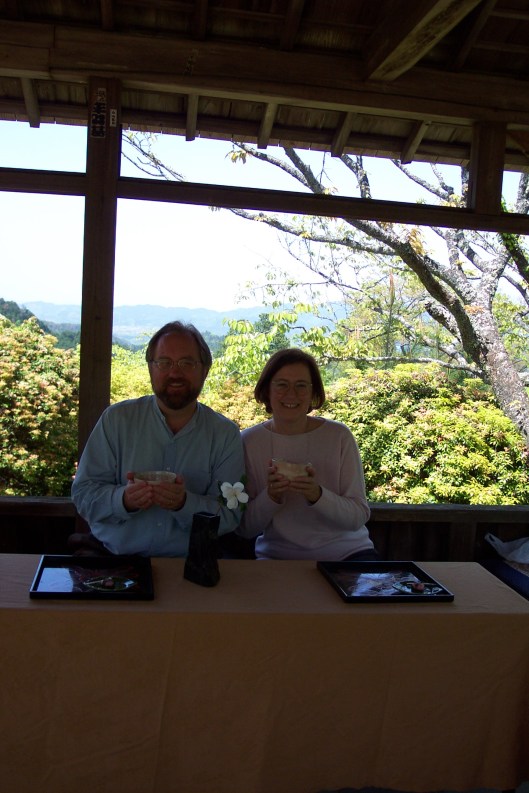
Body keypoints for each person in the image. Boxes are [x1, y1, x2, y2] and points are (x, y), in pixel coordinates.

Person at [71, 321, 245, 556]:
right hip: (116, 562)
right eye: (164, 362)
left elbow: (232, 513)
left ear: (205, 370)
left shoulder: (225, 434)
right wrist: (123, 499)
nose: (175, 372)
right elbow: (83, 494)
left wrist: (185, 503)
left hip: (191, 568)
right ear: (151, 368)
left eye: (187, 363)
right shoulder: (117, 420)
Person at [237, 348, 377, 561]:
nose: (291, 394)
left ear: (313, 393)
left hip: (347, 555)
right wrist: (272, 496)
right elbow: (244, 528)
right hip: (276, 559)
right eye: (282, 384)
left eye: (301, 386)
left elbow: (358, 516)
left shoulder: (339, 436)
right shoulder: (248, 442)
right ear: (267, 390)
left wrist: (316, 494)